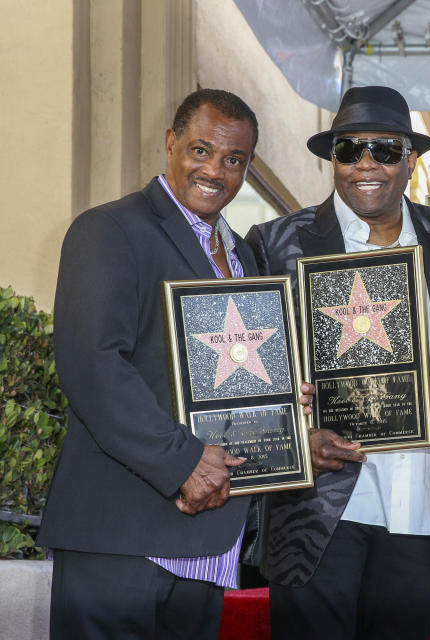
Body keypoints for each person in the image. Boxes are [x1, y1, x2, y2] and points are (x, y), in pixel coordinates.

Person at [38, 89, 312, 639]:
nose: (214, 170)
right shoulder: (111, 230)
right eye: (200, 150)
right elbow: (92, 364)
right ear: (170, 143)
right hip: (123, 537)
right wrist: (182, 462)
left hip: (207, 542)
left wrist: (284, 404)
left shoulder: (243, 255)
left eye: (233, 160)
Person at [245, 85, 430, 640]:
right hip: (317, 507)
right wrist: (298, 435)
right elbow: (248, 375)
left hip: (419, 502)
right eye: (350, 150)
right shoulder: (277, 243)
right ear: (333, 160)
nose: (366, 164)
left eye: (384, 149)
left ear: (411, 161)